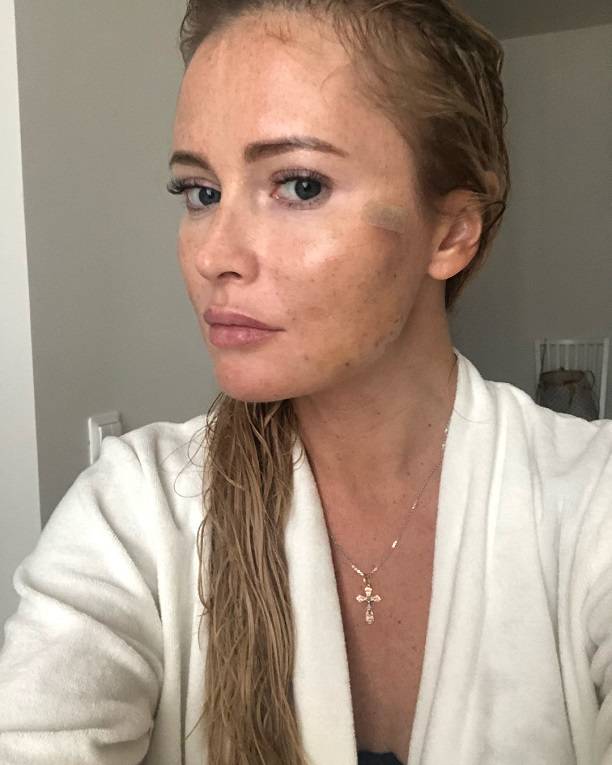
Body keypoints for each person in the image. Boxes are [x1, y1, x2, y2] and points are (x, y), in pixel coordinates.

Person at [0, 1, 611, 764]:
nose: (214, 255)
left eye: (299, 186)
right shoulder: (138, 510)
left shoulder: (589, 504)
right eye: (200, 192)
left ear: (452, 230)